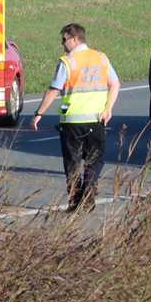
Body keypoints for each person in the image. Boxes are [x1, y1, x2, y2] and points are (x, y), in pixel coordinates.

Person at [30, 23, 120, 213]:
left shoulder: (67, 61)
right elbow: (115, 84)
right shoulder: (101, 58)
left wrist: (39, 113)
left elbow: (54, 90)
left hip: (72, 122)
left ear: (74, 38)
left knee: (72, 162)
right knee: (94, 161)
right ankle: (88, 196)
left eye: (64, 40)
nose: (62, 44)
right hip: (96, 119)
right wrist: (108, 108)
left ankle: (74, 201)